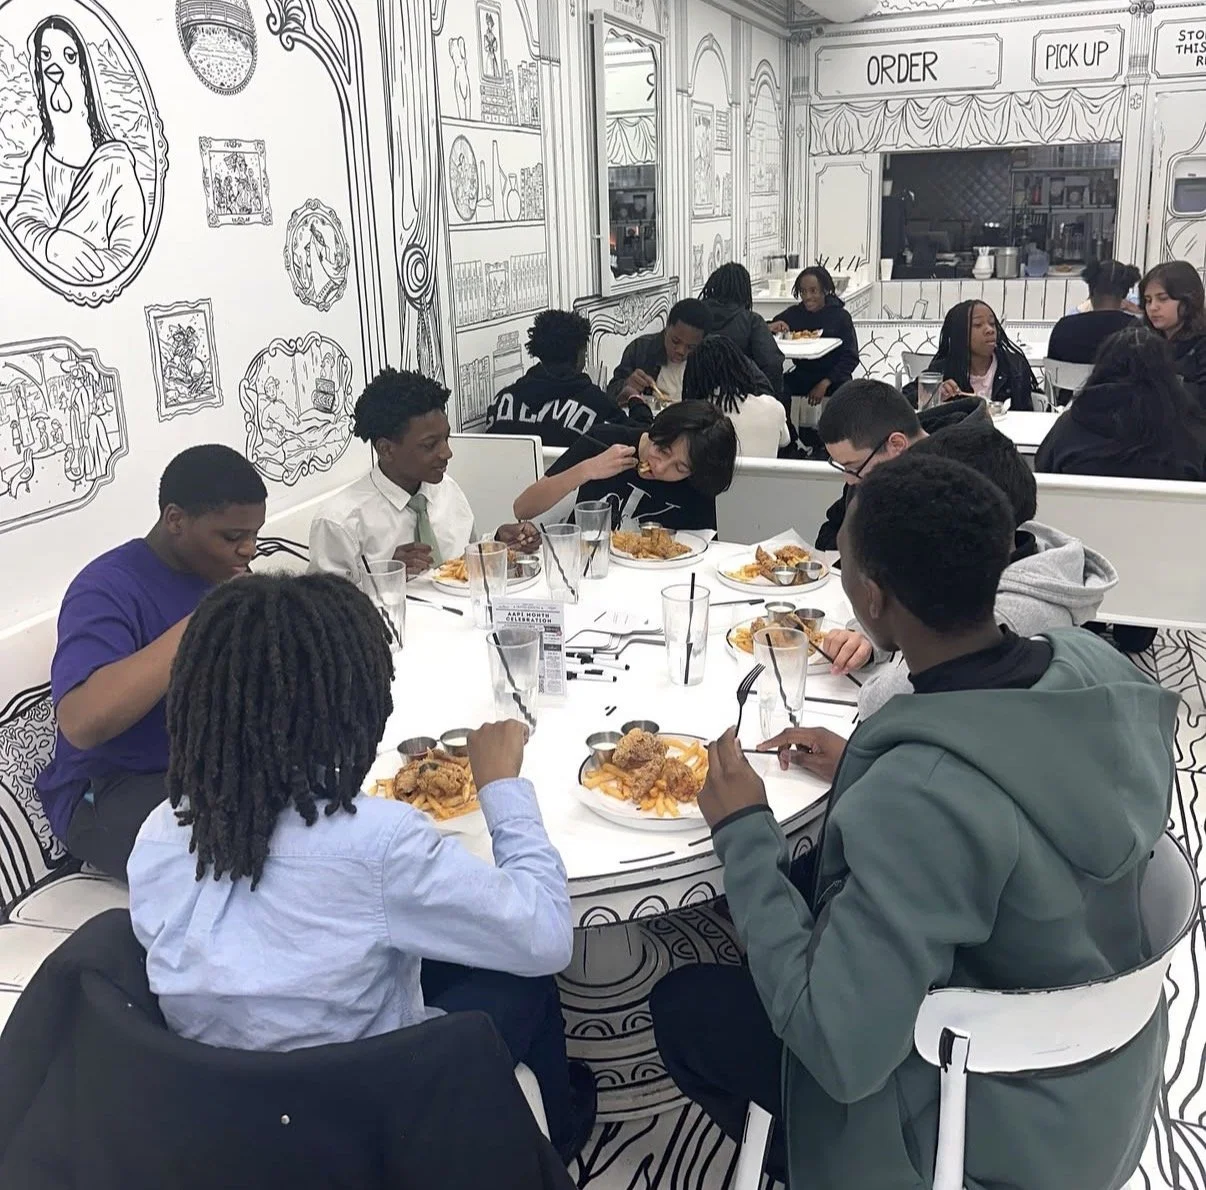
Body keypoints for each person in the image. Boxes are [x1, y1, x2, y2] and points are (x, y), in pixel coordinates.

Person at [650, 453, 1176, 1190]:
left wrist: (744, 834)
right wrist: (868, 760)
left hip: (979, 1122)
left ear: (871, 596)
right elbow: (1006, 778)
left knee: (684, 1004)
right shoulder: (1094, 667)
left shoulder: (921, 796)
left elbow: (838, 1051)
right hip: (1100, 1085)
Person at [126, 573, 596, 1164]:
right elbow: (547, 936)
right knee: (521, 977)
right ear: (358, 706)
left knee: (426, 949)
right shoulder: (377, 842)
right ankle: (554, 1139)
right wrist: (502, 787)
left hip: (215, 1108)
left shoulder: (162, 830)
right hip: (365, 1109)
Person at [35, 445, 267, 880]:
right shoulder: (105, 588)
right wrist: (202, 621)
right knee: (250, 861)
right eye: (232, 537)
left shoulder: (220, 573)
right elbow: (83, 722)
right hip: (109, 789)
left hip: (205, 768)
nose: (248, 551)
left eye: (254, 534)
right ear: (175, 519)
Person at [827, 421, 1118, 710]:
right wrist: (867, 638)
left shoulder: (1009, 618)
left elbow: (885, 701)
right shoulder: (1011, 551)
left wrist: (879, 628)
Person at [309, 367, 537, 579]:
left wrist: (496, 544)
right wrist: (386, 575)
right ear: (386, 449)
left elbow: (461, 561)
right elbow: (322, 610)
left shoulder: (446, 489)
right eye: (429, 445)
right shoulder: (340, 521)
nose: (447, 453)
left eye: (446, 439)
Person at [6, 16, 147, 284]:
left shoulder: (114, 166)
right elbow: (18, 224)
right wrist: (51, 245)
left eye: (69, 56)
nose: (54, 68)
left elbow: (130, 257)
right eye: (45, 57)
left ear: (85, 76)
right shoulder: (41, 159)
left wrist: (79, 259)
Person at [813, 378, 986, 551]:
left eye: (854, 467)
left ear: (897, 444)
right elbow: (830, 531)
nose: (849, 479)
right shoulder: (868, 469)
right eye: (844, 467)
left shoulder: (966, 484)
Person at [512, 400, 737, 531]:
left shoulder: (696, 483)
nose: (660, 468)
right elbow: (523, 508)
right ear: (656, 430)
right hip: (586, 569)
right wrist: (588, 469)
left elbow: (705, 547)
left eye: (679, 468)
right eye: (662, 451)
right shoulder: (604, 440)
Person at [1037, 325, 1206, 481]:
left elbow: (1042, 471)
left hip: (1080, 513)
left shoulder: (1069, 427)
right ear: (1168, 374)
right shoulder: (1192, 434)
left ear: (1103, 369)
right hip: (1173, 513)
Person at [484, 310, 638, 447]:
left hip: (516, 479)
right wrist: (636, 401)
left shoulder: (500, 402)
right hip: (577, 479)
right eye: (584, 353)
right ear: (578, 356)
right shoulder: (595, 402)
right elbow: (641, 438)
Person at [768, 265, 860, 427]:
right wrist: (772, 325)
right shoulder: (794, 314)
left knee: (846, 397)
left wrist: (825, 383)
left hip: (834, 377)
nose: (807, 297)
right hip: (804, 374)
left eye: (813, 291)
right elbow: (767, 326)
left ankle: (832, 444)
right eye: (803, 292)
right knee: (777, 388)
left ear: (824, 290)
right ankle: (790, 439)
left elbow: (850, 357)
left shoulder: (840, 317)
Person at [909, 299, 1040, 410]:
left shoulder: (1014, 366)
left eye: (992, 324)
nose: (990, 330)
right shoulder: (945, 368)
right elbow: (905, 399)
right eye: (978, 325)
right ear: (960, 334)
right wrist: (936, 395)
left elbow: (1025, 413)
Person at [1047, 259, 1141, 402]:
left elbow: (1052, 373)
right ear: (1125, 294)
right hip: (1122, 412)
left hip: (1071, 410)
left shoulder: (1064, 327)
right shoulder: (1137, 331)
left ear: (1090, 290)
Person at [681, 335, 788, 459]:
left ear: (694, 375)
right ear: (741, 365)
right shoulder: (773, 407)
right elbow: (785, 441)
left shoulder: (692, 416)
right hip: (764, 478)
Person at [699, 263, 785, 399]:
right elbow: (772, 364)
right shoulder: (751, 321)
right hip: (743, 396)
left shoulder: (696, 315)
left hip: (700, 393)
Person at [605, 299, 710, 405]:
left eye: (691, 347)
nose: (680, 351)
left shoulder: (707, 360)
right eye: (675, 341)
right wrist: (626, 385)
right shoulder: (641, 349)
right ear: (667, 326)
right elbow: (609, 394)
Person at [1141, 260, 1206, 407]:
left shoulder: (1202, 342)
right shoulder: (1141, 337)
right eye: (1148, 300)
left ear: (1188, 300)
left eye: (1162, 299)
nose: (1153, 308)